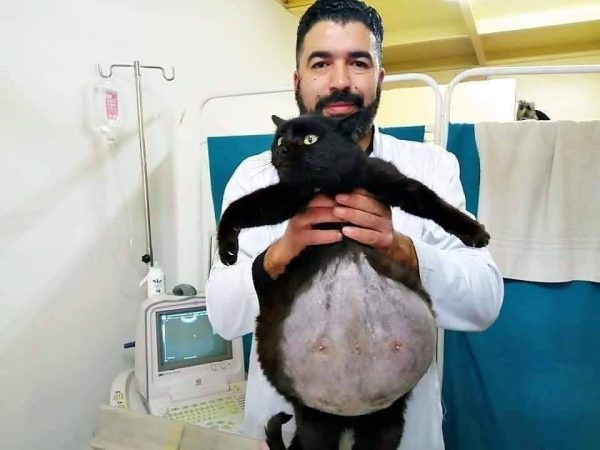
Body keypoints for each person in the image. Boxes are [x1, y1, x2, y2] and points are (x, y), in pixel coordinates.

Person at [206, 0, 504, 448]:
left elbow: (485, 301)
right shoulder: (253, 177)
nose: (340, 80)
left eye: (358, 62)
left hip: (398, 422)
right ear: (298, 80)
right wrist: (279, 255)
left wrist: (404, 251)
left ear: (380, 78)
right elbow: (222, 316)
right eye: (321, 63)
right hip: (296, 415)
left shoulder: (430, 166)